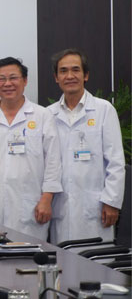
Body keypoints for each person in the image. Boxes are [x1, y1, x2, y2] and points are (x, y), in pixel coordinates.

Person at [0, 57, 62, 239]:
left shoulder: (42, 116)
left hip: (31, 207)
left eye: (13, 78)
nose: (7, 83)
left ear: (25, 81)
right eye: (1, 79)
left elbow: (53, 162)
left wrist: (47, 199)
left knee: (29, 260)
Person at [48, 49, 125, 244]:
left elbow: (115, 161)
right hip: (61, 207)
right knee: (64, 266)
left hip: (96, 207)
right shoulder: (48, 115)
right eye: (63, 71)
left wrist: (111, 202)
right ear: (56, 78)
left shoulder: (103, 109)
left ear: (86, 75)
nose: (70, 76)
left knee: (96, 266)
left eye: (76, 70)